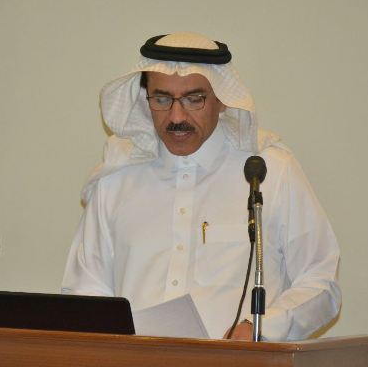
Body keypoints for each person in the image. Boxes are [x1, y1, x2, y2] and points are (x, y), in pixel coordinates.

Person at [61, 32, 341, 341]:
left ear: (221, 100)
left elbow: (321, 282)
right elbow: (86, 293)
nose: (176, 116)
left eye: (194, 99)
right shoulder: (116, 180)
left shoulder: (269, 171)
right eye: (162, 99)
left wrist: (260, 329)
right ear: (146, 98)